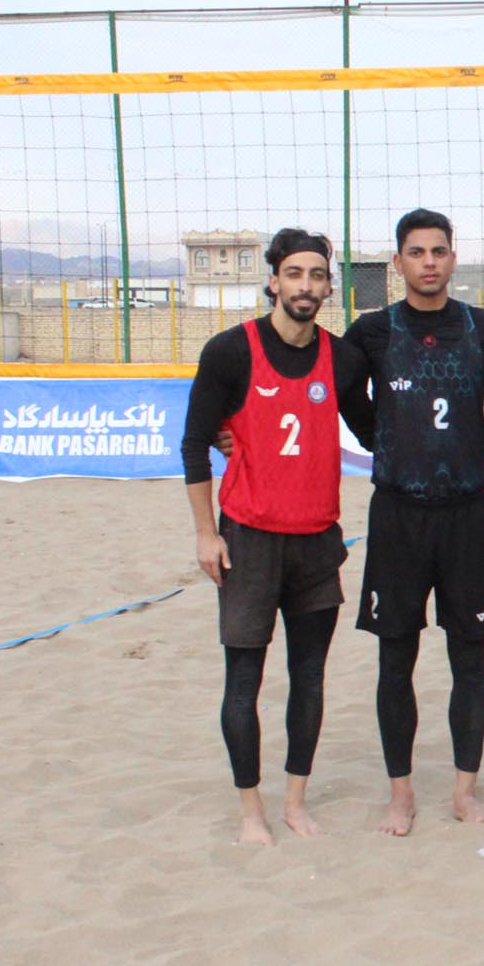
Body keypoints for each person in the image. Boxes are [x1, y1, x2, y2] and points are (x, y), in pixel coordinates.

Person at [181, 228, 373, 845]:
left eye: (317, 275)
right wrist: (206, 534)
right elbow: (194, 442)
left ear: (329, 287)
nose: (305, 285)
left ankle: (294, 801)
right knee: (245, 682)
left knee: (309, 678)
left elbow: (373, 431)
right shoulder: (230, 351)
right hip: (248, 541)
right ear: (273, 281)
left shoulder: (343, 359)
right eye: (294, 273)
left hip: (317, 541)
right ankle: (250, 811)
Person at [344, 208, 484, 836]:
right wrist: (384, 441)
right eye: (416, 252)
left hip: (465, 514)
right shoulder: (372, 331)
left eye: (438, 251)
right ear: (398, 262)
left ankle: (463, 793)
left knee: (469, 659)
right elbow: (340, 397)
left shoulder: (482, 328)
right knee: (395, 661)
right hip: (397, 514)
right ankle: (401, 796)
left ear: (453, 258)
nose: (428, 262)